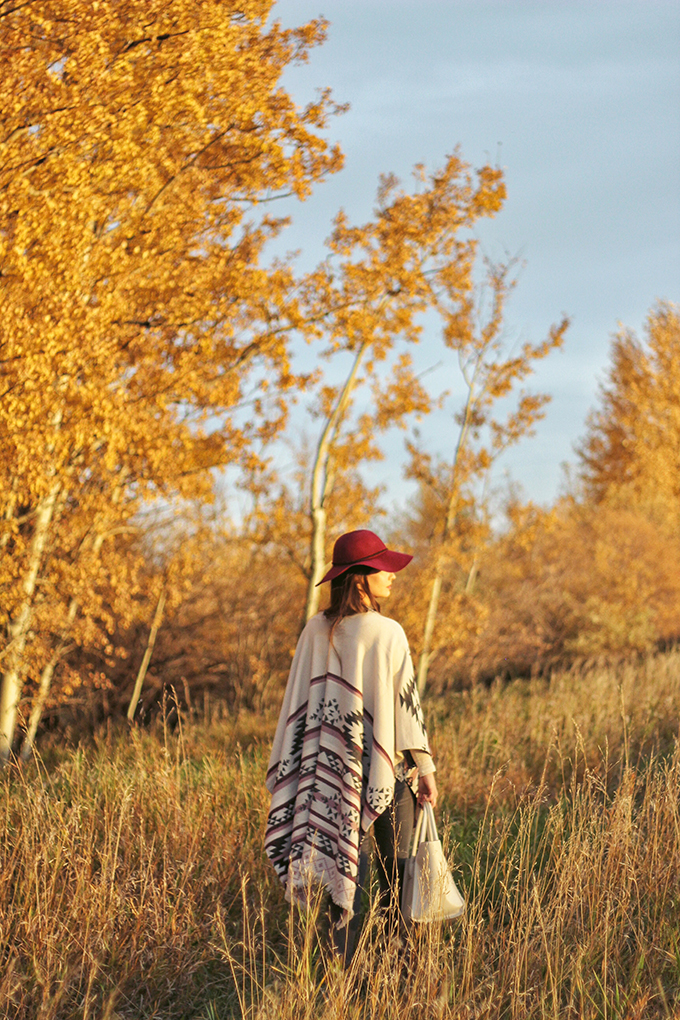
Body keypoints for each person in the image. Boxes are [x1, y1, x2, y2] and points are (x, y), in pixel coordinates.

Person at [264, 529, 437, 965]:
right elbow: (406, 709)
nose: (393, 576)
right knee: (400, 872)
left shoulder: (314, 630)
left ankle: (339, 973)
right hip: (387, 775)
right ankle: (398, 965)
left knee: (338, 874)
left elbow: (299, 708)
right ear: (360, 577)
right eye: (383, 568)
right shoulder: (387, 632)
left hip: (327, 774)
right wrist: (427, 770)